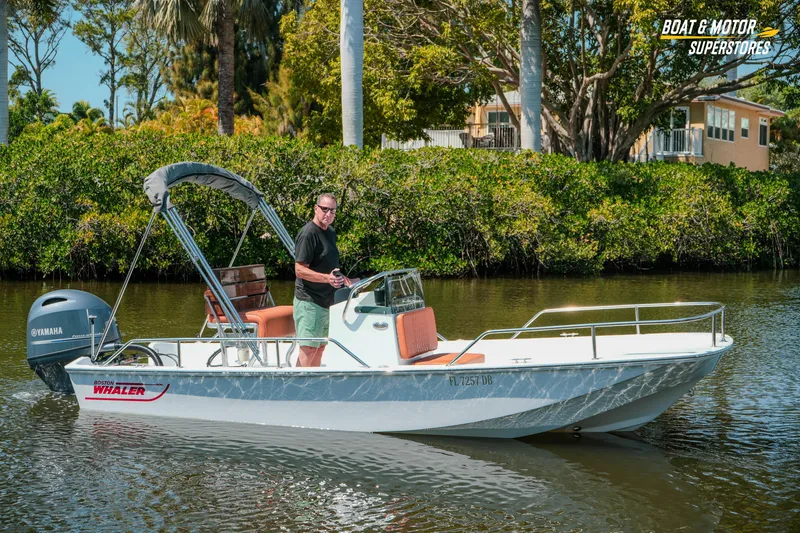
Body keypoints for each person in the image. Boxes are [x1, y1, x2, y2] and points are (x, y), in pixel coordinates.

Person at [293, 193, 355, 367]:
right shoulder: (308, 234)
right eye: (325, 209)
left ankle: (312, 387)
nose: (328, 214)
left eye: (332, 211)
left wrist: (342, 278)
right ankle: (297, 389)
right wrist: (327, 279)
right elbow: (299, 270)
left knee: (320, 347)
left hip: (326, 302)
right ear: (316, 208)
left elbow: (327, 264)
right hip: (309, 301)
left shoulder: (330, 232)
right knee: (308, 349)